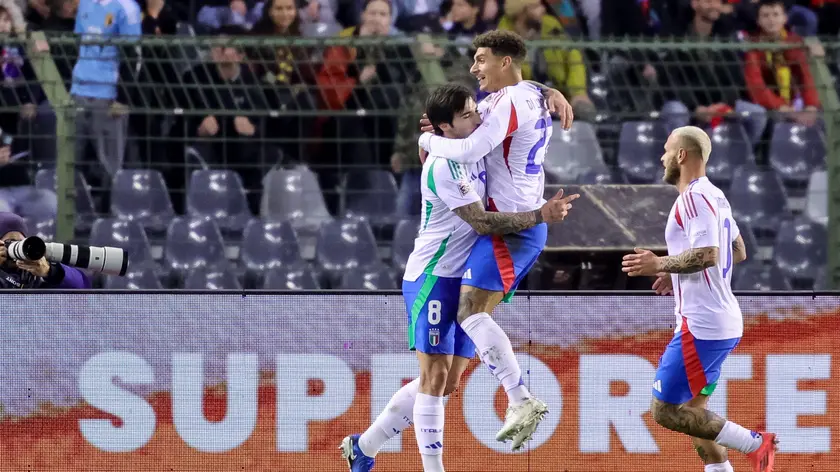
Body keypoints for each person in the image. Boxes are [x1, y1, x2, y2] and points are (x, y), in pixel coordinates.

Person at [340, 83, 578, 472]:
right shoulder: (442, 164)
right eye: (467, 114)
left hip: (463, 275)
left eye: (474, 109)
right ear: (446, 128)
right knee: (433, 377)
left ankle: (363, 447)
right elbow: (482, 222)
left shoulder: (471, 146)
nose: (478, 116)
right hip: (433, 275)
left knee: (447, 383)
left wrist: (546, 89)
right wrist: (539, 216)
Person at [416, 30, 572, 451]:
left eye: (481, 59)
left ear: (504, 62)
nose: (474, 68)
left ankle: (520, 398)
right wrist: (549, 87)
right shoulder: (523, 96)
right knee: (439, 380)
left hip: (512, 224)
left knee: (470, 312)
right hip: (515, 221)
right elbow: (515, 97)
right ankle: (368, 442)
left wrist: (426, 140)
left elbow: (469, 150)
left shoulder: (507, 102)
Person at [620, 126, 777, 472]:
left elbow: (708, 254)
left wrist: (660, 263)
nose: (661, 157)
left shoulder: (692, 198)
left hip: (702, 324)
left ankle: (755, 443)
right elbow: (738, 250)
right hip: (720, 320)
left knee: (666, 411)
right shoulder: (716, 196)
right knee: (695, 416)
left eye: (665, 149)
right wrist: (676, 272)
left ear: (681, 155)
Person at [0, 212, 91, 288]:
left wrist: (51, 271)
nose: (14, 248)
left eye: (19, 243)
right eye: (9, 243)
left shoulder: (36, 267)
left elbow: (83, 287)